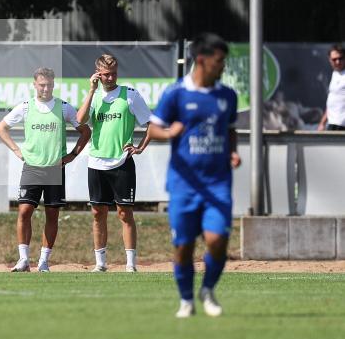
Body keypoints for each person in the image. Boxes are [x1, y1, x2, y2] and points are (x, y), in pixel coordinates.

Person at [147, 33, 240, 318]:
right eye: (219, 60)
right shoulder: (176, 93)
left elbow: (230, 130)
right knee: (183, 246)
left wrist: (232, 152)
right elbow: (153, 130)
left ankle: (208, 288)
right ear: (202, 60)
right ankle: (186, 300)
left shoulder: (227, 96)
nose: (223, 66)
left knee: (216, 240)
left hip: (218, 182)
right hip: (184, 184)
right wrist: (169, 132)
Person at [0, 67, 91, 272]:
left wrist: (72, 155)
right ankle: (23, 260)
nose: (45, 88)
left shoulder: (64, 108)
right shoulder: (25, 107)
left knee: (52, 215)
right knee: (24, 211)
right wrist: (17, 150)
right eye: (42, 85)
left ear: (54, 84)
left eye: (49, 85)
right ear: (34, 84)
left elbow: (85, 131)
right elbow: (1, 128)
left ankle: (44, 261)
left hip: (55, 169)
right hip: (32, 167)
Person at [76, 53, 152, 272]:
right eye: (106, 74)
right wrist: (91, 90)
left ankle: (131, 264)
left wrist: (139, 147)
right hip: (96, 163)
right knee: (98, 214)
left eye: (114, 74)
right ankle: (100, 264)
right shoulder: (94, 96)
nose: (110, 78)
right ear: (98, 74)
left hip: (122, 163)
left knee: (124, 213)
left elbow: (151, 124)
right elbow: (80, 121)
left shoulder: (130, 95)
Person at [318, 44, 345, 131]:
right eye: (334, 59)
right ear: (329, 60)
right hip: (332, 124)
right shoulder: (334, 74)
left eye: (340, 58)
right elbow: (332, 102)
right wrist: (322, 123)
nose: (337, 62)